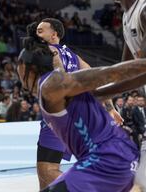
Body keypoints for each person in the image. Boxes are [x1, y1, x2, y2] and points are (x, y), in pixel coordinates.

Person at [17, 36, 146, 191]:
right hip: (121, 156)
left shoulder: (50, 85)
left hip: (106, 158)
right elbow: (115, 85)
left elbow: (110, 73)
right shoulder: (61, 90)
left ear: (24, 66)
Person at [30, 18, 123, 189]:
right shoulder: (73, 55)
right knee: (44, 176)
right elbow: (96, 78)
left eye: (41, 30)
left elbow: (60, 78)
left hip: (59, 116)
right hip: (76, 116)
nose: (37, 33)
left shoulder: (49, 51)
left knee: (47, 171)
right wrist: (110, 108)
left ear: (54, 35)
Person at [108, 0, 146, 189]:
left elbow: (141, 69)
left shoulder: (144, 11)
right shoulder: (126, 16)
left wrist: (102, 93)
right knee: (141, 180)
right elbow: (121, 70)